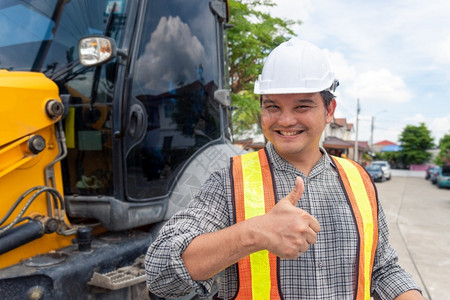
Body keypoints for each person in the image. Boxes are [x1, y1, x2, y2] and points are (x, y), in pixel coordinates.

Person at [145, 38, 424, 300]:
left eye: (302, 106)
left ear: (329, 110)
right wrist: (252, 233)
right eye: (273, 107)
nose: (286, 120)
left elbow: (383, 269)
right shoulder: (230, 181)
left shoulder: (359, 180)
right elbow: (159, 273)